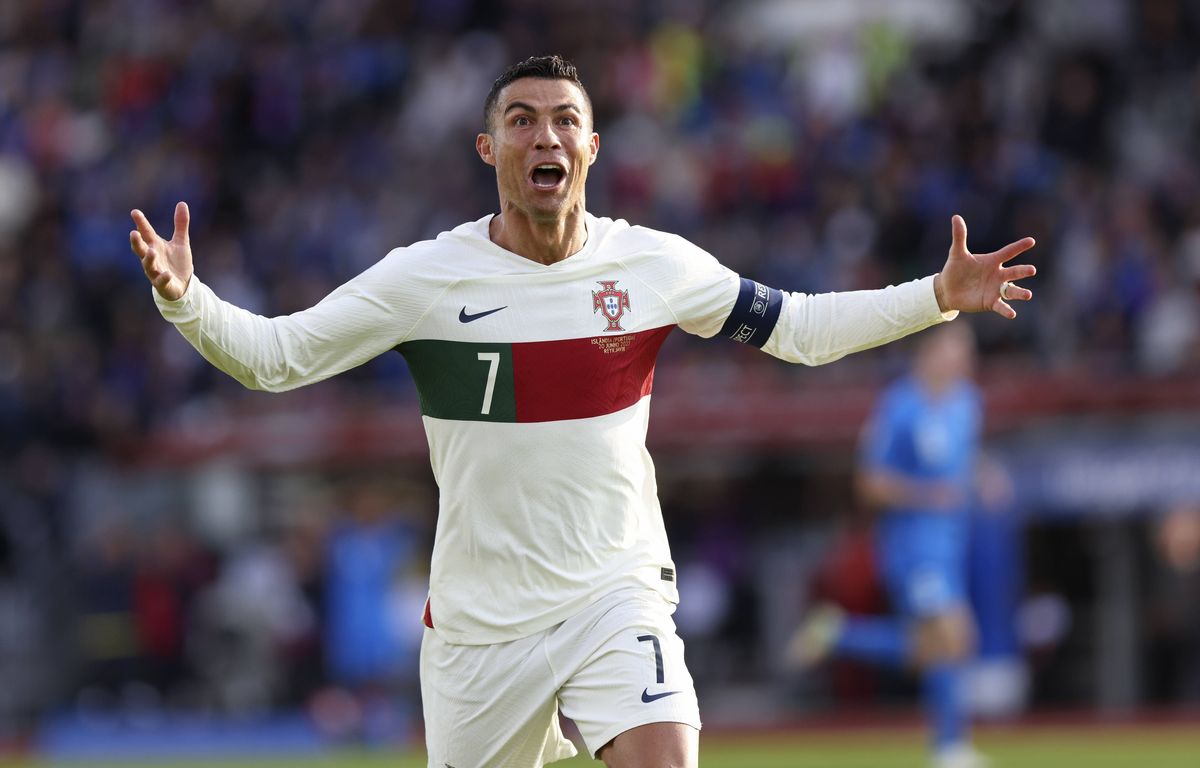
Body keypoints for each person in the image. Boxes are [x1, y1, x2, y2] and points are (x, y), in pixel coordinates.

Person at [130, 55, 1035, 768]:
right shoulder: (424, 279)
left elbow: (796, 327)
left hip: (614, 595)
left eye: (565, 119)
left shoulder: (652, 267)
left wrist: (936, 297)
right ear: (489, 149)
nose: (543, 136)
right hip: (481, 630)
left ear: (593, 147)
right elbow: (278, 360)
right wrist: (186, 299)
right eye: (520, 120)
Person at [788, 322, 990, 768]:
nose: (964, 360)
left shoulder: (967, 403)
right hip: (912, 546)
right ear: (928, 353)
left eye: (968, 351)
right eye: (956, 349)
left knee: (932, 647)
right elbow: (871, 484)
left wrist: (986, 477)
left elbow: (963, 460)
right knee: (956, 638)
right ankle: (949, 748)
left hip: (950, 542)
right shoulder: (898, 407)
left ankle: (842, 635)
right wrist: (927, 494)